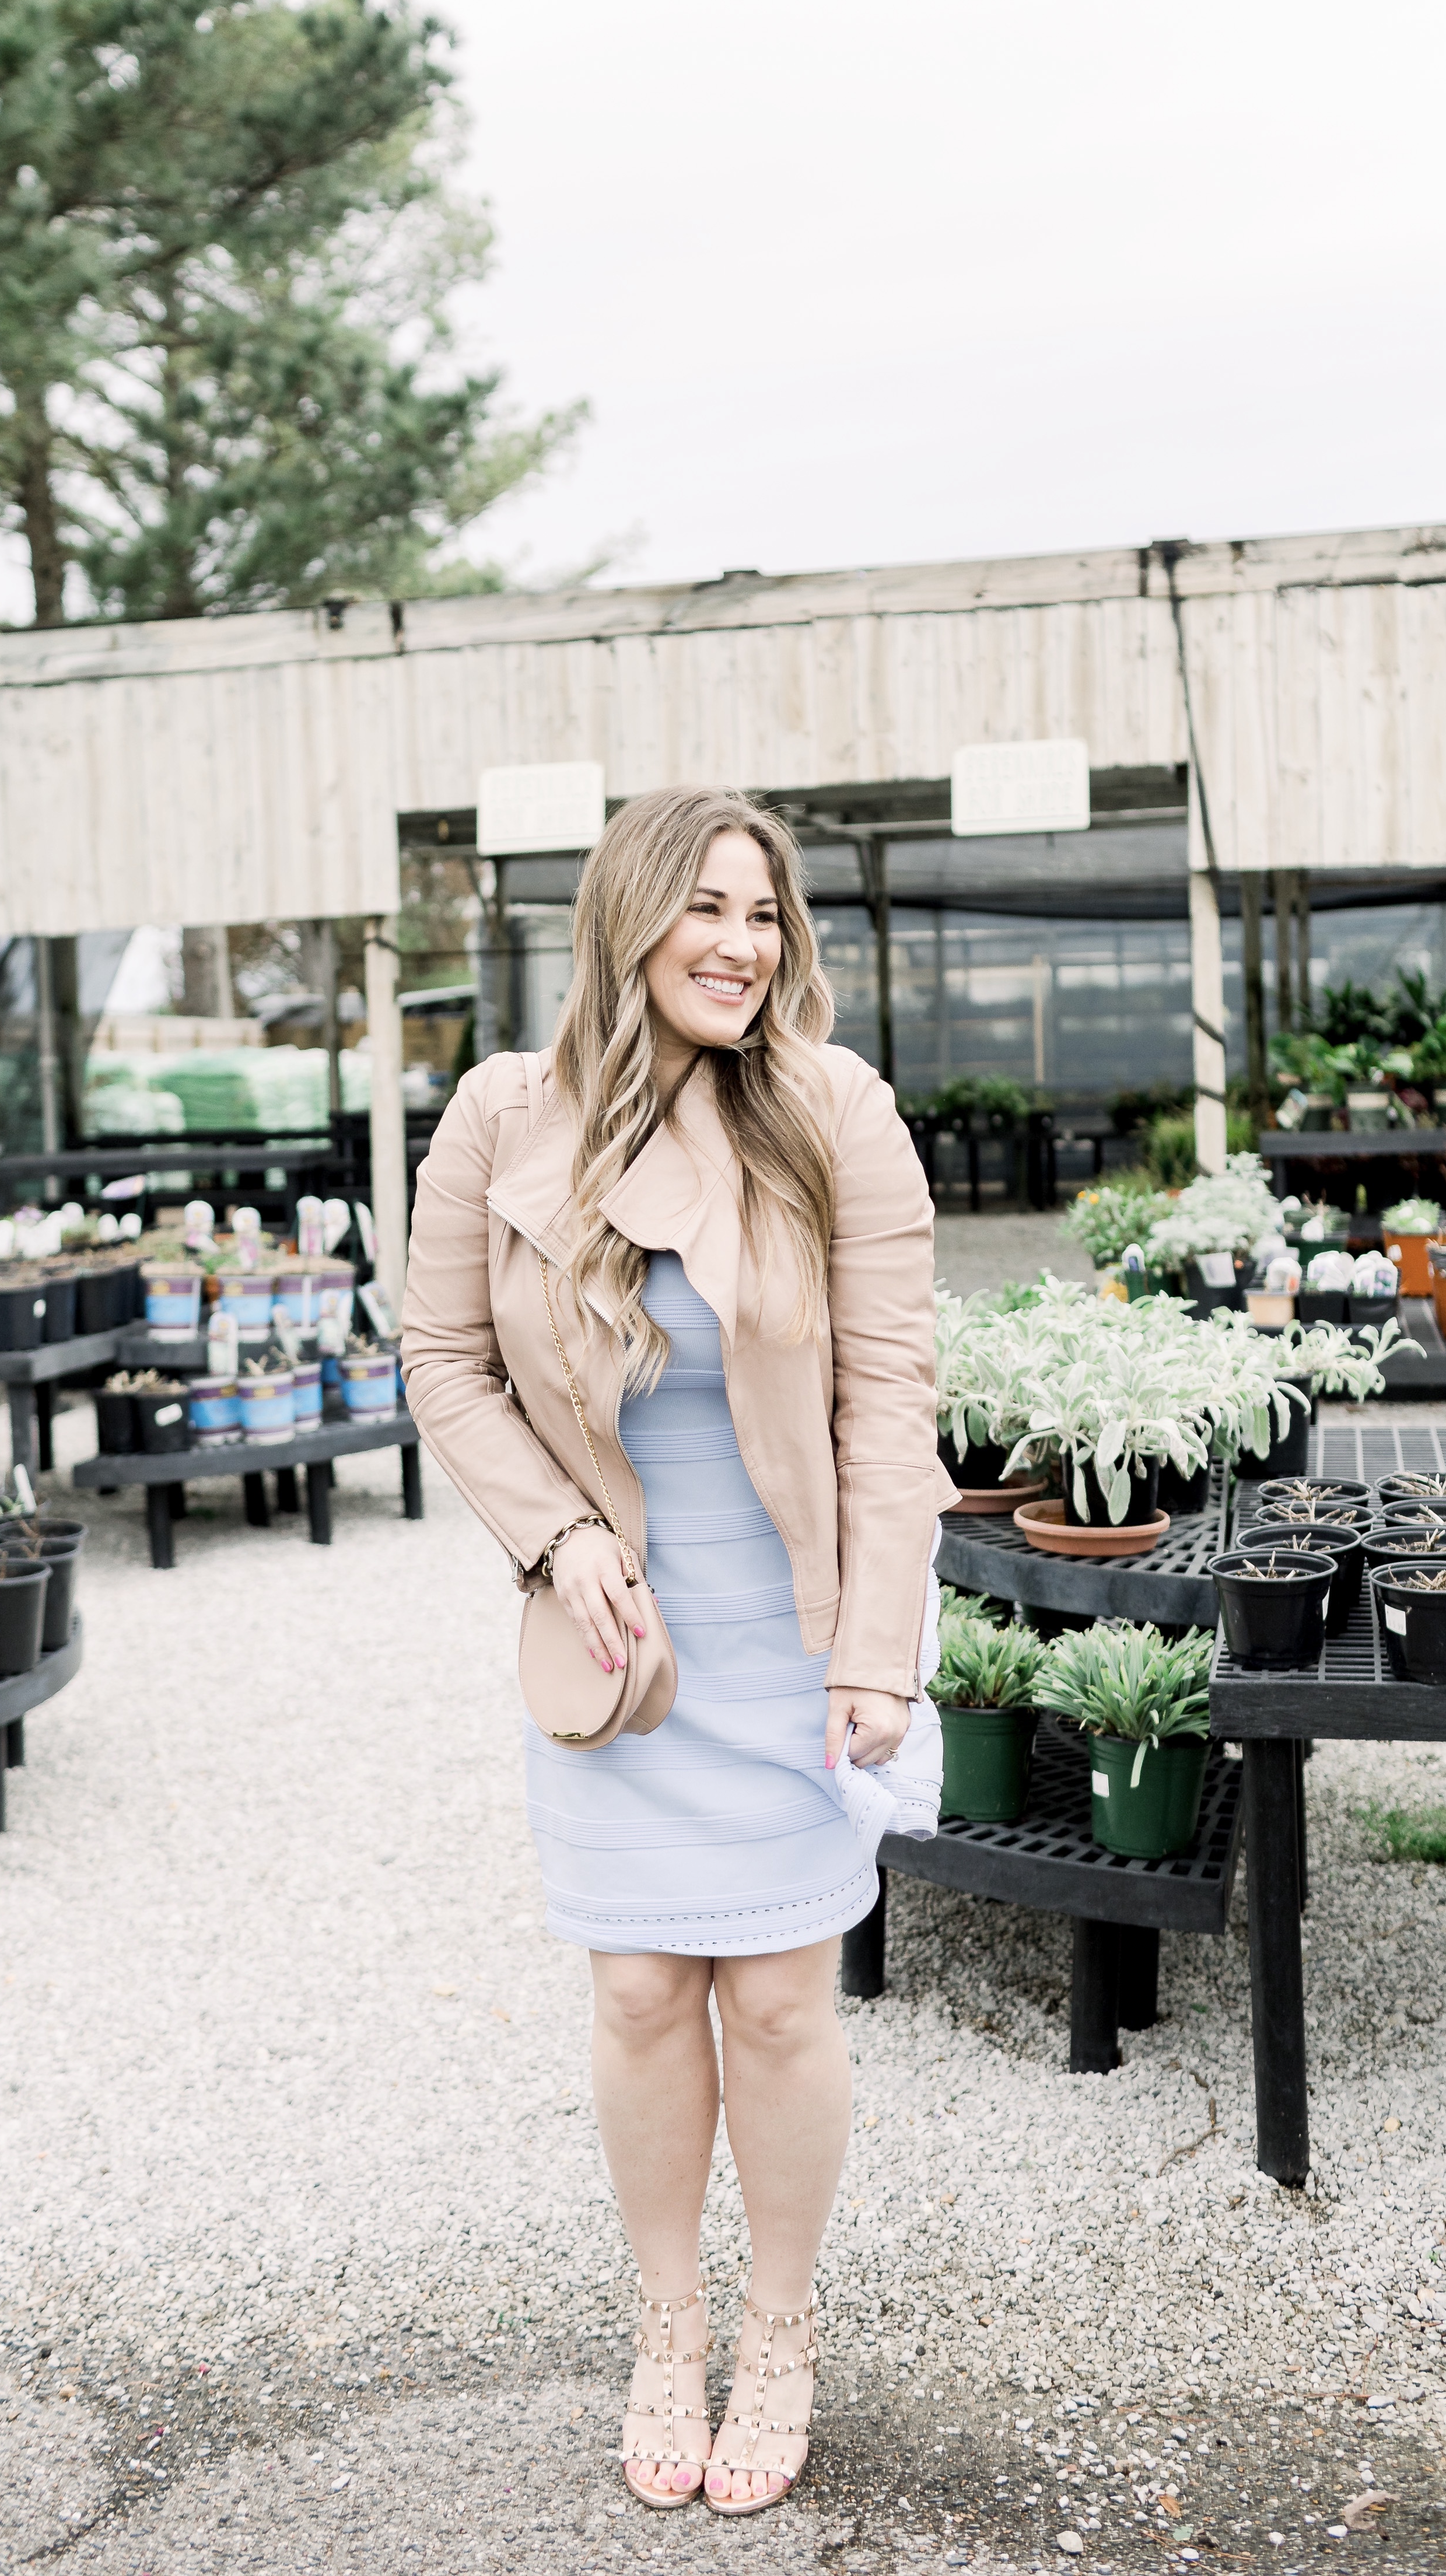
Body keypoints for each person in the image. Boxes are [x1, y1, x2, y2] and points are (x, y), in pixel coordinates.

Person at [400, 785, 953, 2517]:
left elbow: (892, 1391)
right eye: (705, 907)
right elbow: (442, 1364)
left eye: (766, 913)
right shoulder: (501, 1119)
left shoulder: (832, 1111)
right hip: (616, 1642)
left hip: (788, 1638)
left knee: (782, 2004)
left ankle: (777, 2334)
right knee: (640, 1991)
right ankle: (667, 2327)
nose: (739, 943)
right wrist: (558, 1545)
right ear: (626, 920)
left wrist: (876, 1651)